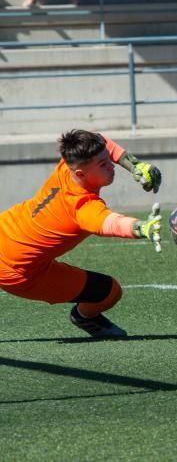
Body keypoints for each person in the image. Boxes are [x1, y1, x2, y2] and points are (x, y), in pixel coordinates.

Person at [0, 130, 164, 338]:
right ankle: (84, 317)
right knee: (109, 291)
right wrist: (143, 228)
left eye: (108, 160)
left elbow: (103, 143)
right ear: (80, 175)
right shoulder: (82, 207)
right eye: (103, 165)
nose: (111, 165)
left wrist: (136, 165)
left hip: (4, 227)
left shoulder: (67, 164)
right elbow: (109, 223)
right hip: (17, 271)